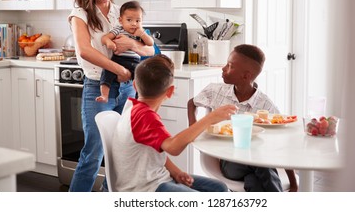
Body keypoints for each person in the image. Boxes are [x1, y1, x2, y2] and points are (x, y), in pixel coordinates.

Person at [68, 0, 154, 192]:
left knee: (119, 153)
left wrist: (133, 45)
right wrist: (119, 70)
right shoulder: (80, 14)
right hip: (99, 87)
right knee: (93, 155)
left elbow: (152, 50)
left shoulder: (121, 12)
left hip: (126, 89)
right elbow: (85, 50)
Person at [112, 54, 237, 192]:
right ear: (170, 91)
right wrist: (211, 118)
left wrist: (176, 172)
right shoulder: (145, 116)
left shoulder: (133, 106)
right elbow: (173, 147)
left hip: (156, 178)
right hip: (145, 188)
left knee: (220, 187)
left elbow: (155, 151)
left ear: (135, 85)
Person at [187, 44, 298, 192]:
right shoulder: (215, 90)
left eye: (230, 66)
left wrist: (293, 182)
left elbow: (281, 140)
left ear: (246, 76)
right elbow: (192, 103)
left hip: (256, 160)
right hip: (228, 161)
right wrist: (193, 129)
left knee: (254, 181)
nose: (223, 68)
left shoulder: (265, 105)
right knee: (262, 164)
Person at [96, 1, 154, 103]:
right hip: (118, 60)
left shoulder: (140, 32)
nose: (134, 24)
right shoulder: (119, 30)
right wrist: (109, 42)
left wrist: (142, 34)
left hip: (134, 62)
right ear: (121, 20)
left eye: (138, 20)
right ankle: (104, 95)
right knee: (106, 73)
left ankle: (140, 100)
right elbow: (105, 38)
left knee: (141, 78)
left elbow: (150, 44)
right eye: (129, 20)